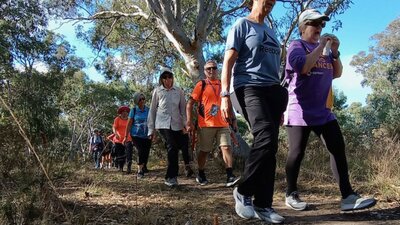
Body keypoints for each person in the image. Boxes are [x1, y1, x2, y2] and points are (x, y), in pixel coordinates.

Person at [282, 8, 376, 212]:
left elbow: (338, 73)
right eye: (315, 24)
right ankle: (290, 192)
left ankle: (348, 196)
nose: (319, 28)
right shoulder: (296, 46)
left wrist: (334, 51)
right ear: (303, 26)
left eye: (322, 24)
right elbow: (304, 68)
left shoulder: (323, 50)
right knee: (297, 152)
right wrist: (321, 47)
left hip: (323, 110)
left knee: (337, 148)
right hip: (299, 110)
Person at [220, 0, 287, 223]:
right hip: (248, 86)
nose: (270, 2)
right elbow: (228, 62)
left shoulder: (270, 31)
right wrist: (224, 95)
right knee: (266, 136)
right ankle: (243, 190)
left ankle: (264, 205)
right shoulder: (241, 25)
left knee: (270, 146)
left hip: (272, 90)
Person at [186, 60, 240, 187]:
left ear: (217, 70)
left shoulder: (223, 85)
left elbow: (229, 104)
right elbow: (190, 103)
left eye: (214, 68)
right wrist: (188, 121)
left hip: (223, 123)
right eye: (208, 69)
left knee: (226, 147)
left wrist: (234, 120)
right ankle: (201, 173)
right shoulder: (201, 84)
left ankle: (230, 176)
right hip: (206, 125)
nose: (211, 71)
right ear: (204, 71)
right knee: (204, 151)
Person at [147, 67, 187, 187]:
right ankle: (171, 177)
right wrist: (151, 129)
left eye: (169, 76)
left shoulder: (178, 91)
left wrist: (185, 125)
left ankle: (172, 176)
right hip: (162, 123)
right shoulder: (157, 91)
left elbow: (183, 110)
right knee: (172, 147)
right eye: (164, 77)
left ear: (172, 77)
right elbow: (152, 110)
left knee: (176, 148)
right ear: (161, 79)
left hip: (176, 123)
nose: (167, 79)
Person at [124, 92, 152, 178]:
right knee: (140, 151)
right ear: (137, 101)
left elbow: (152, 122)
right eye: (140, 99)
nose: (142, 101)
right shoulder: (134, 110)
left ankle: (143, 166)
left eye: (143, 99)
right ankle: (139, 171)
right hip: (136, 135)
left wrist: (153, 133)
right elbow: (129, 124)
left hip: (147, 135)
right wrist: (125, 136)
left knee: (146, 152)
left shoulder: (148, 110)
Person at [113, 105, 131, 172]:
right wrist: (115, 134)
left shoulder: (129, 119)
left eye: (126, 111)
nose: (124, 113)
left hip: (128, 138)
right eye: (123, 111)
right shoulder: (117, 119)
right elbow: (114, 127)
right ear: (121, 112)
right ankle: (120, 167)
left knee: (128, 152)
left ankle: (129, 167)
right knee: (120, 153)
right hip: (118, 139)